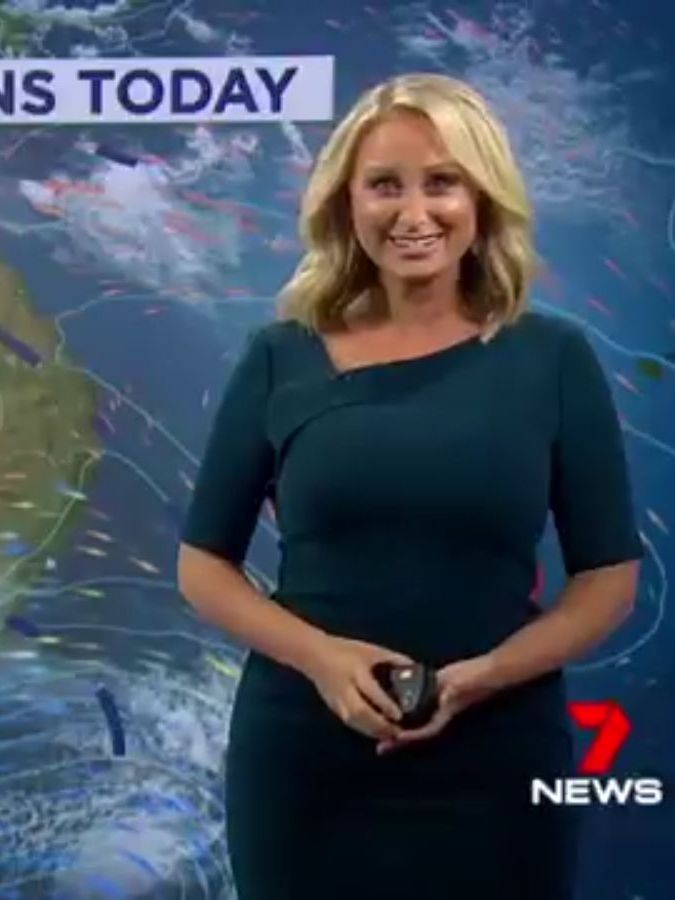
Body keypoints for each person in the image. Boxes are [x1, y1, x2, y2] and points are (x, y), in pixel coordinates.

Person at [177, 73, 643, 900]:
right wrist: (322, 660)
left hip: (498, 758)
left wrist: (485, 676)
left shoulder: (554, 358)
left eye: (442, 182)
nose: (414, 212)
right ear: (347, 203)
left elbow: (608, 577)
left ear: (482, 198)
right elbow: (202, 565)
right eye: (385, 185)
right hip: (306, 763)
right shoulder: (281, 355)